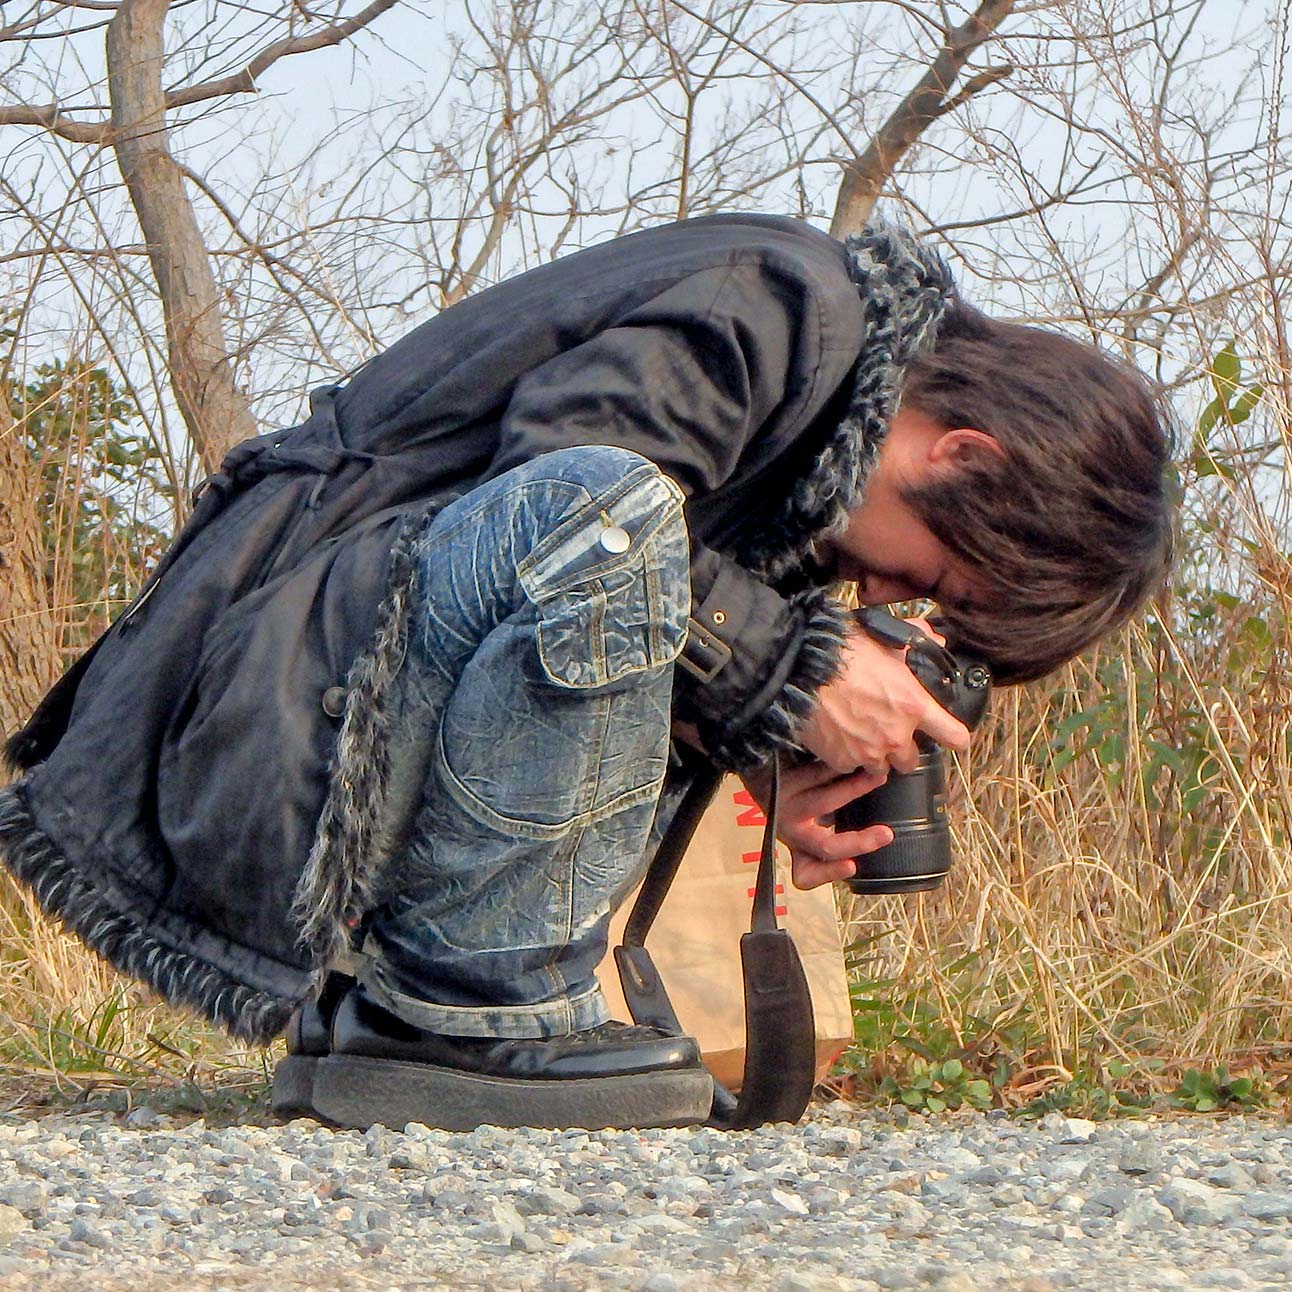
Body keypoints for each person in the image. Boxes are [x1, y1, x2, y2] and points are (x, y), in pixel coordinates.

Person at [0, 214, 1174, 1130]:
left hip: (355, 656)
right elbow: (559, 495)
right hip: (273, 656)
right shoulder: (780, 304)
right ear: (961, 455)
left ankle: (403, 1005)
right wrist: (792, 668)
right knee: (606, 510)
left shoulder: (811, 436)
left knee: (641, 558)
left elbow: (583, 637)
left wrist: (771, 761)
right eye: (942, 580)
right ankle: (468, 1011)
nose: (884, 600)